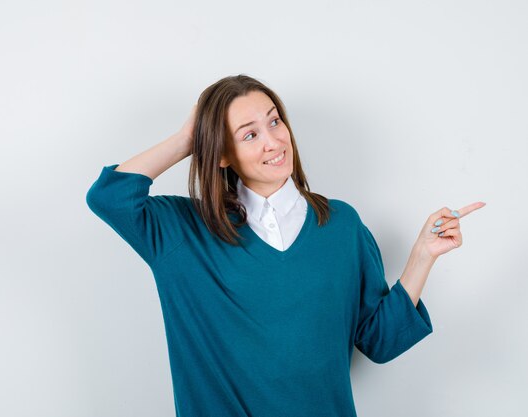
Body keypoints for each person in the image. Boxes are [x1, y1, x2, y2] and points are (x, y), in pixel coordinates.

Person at [85, 74, 486, 416]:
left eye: (275, 122)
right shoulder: (183, 231)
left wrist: (421, 257)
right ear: (222, 153)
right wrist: (190, 137)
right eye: (250, 134)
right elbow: (109, 196)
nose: (274, 142)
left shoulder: (341, 225)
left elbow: (379, 342)